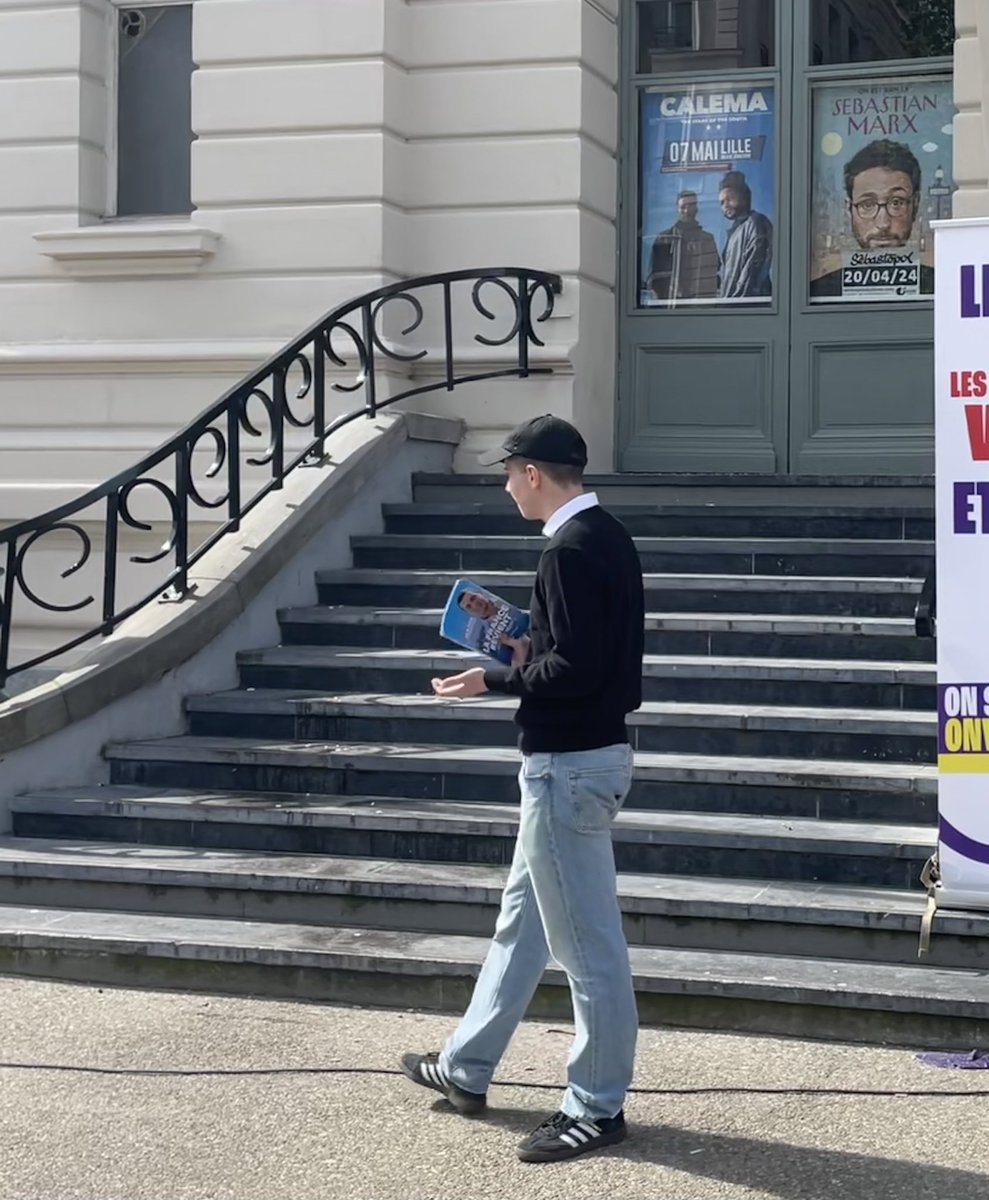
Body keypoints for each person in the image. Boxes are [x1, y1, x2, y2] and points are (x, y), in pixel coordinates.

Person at [400, 414, 645, 1165]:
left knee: (586, 949)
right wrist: (527, 647)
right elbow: (588, 655)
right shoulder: (606, 536)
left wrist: (498, 675)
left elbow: (575, 671)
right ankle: (467, 1065)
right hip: (587, 758)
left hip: (565, 765)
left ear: (533, 474)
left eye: (509, 474)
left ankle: (595, 1107)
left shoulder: (567, 551)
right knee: (523, 924)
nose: (507, 487)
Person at [811, 139, 934, 299]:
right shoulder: (823, 294)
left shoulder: (942, 288)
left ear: (915, 205)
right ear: (849, 210)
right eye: (867, 204)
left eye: (896, 203)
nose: (883, 224)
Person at [647, 190, 720, 302]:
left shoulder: (707, 239)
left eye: (691, 206)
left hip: (701, 304)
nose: (687, 211)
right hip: (672, 305)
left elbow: (715, 273)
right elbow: (654, 278)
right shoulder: (665, 238)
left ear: (696, 208)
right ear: (677, 208)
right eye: (683, 207)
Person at [718, 169, 773, 299]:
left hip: (750, 305)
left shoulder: (755, 222)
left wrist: (734, 303)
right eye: (721, 202)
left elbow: (751, 270)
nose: (725, 205)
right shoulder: (735, 231)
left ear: (743, 196)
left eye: (729, 199)